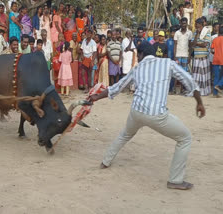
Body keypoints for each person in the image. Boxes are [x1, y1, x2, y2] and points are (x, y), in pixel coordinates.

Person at [89, 42, 205, 191]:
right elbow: (189, 81)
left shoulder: (137, 68)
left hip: (136, 111)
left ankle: (105, 162)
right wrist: (199, 103)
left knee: (125, 134)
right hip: (157, 115)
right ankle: (175, 180)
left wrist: (96, 98)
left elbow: (117, 87)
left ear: (141, 54)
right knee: (185, 138)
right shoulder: (167, 63)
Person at [190, 18, 211, 96]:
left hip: (204, 56)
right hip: (196, 56)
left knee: (204, 75)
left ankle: (204, 91)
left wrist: (197, 44)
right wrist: (196, 35)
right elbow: (192, 44)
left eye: (197, 24)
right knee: (196, 75)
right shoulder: (195, 33)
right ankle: (196, 91)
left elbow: (205, 44)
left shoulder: (207, 32)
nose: (195, 26)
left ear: (201, 24)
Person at [173, 17, 193, 94]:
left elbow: (190, 46)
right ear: (180, 23)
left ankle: (184, 89)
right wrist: (175, 56)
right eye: (182, 23)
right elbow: (175, 45)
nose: (184, 25)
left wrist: (190, 56)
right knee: (177, 73)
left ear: (187, 24)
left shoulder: (190, 33)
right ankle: (176, 89)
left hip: (185, 55)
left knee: (184, 73)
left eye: (185, 23)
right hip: (178, 55)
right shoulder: (177, 33)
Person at [211, 26, 223, 97]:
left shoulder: (215, 39)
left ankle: (215, 93)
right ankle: (219, 85)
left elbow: (212, 50)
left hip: (215, 59)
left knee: (216, 76)